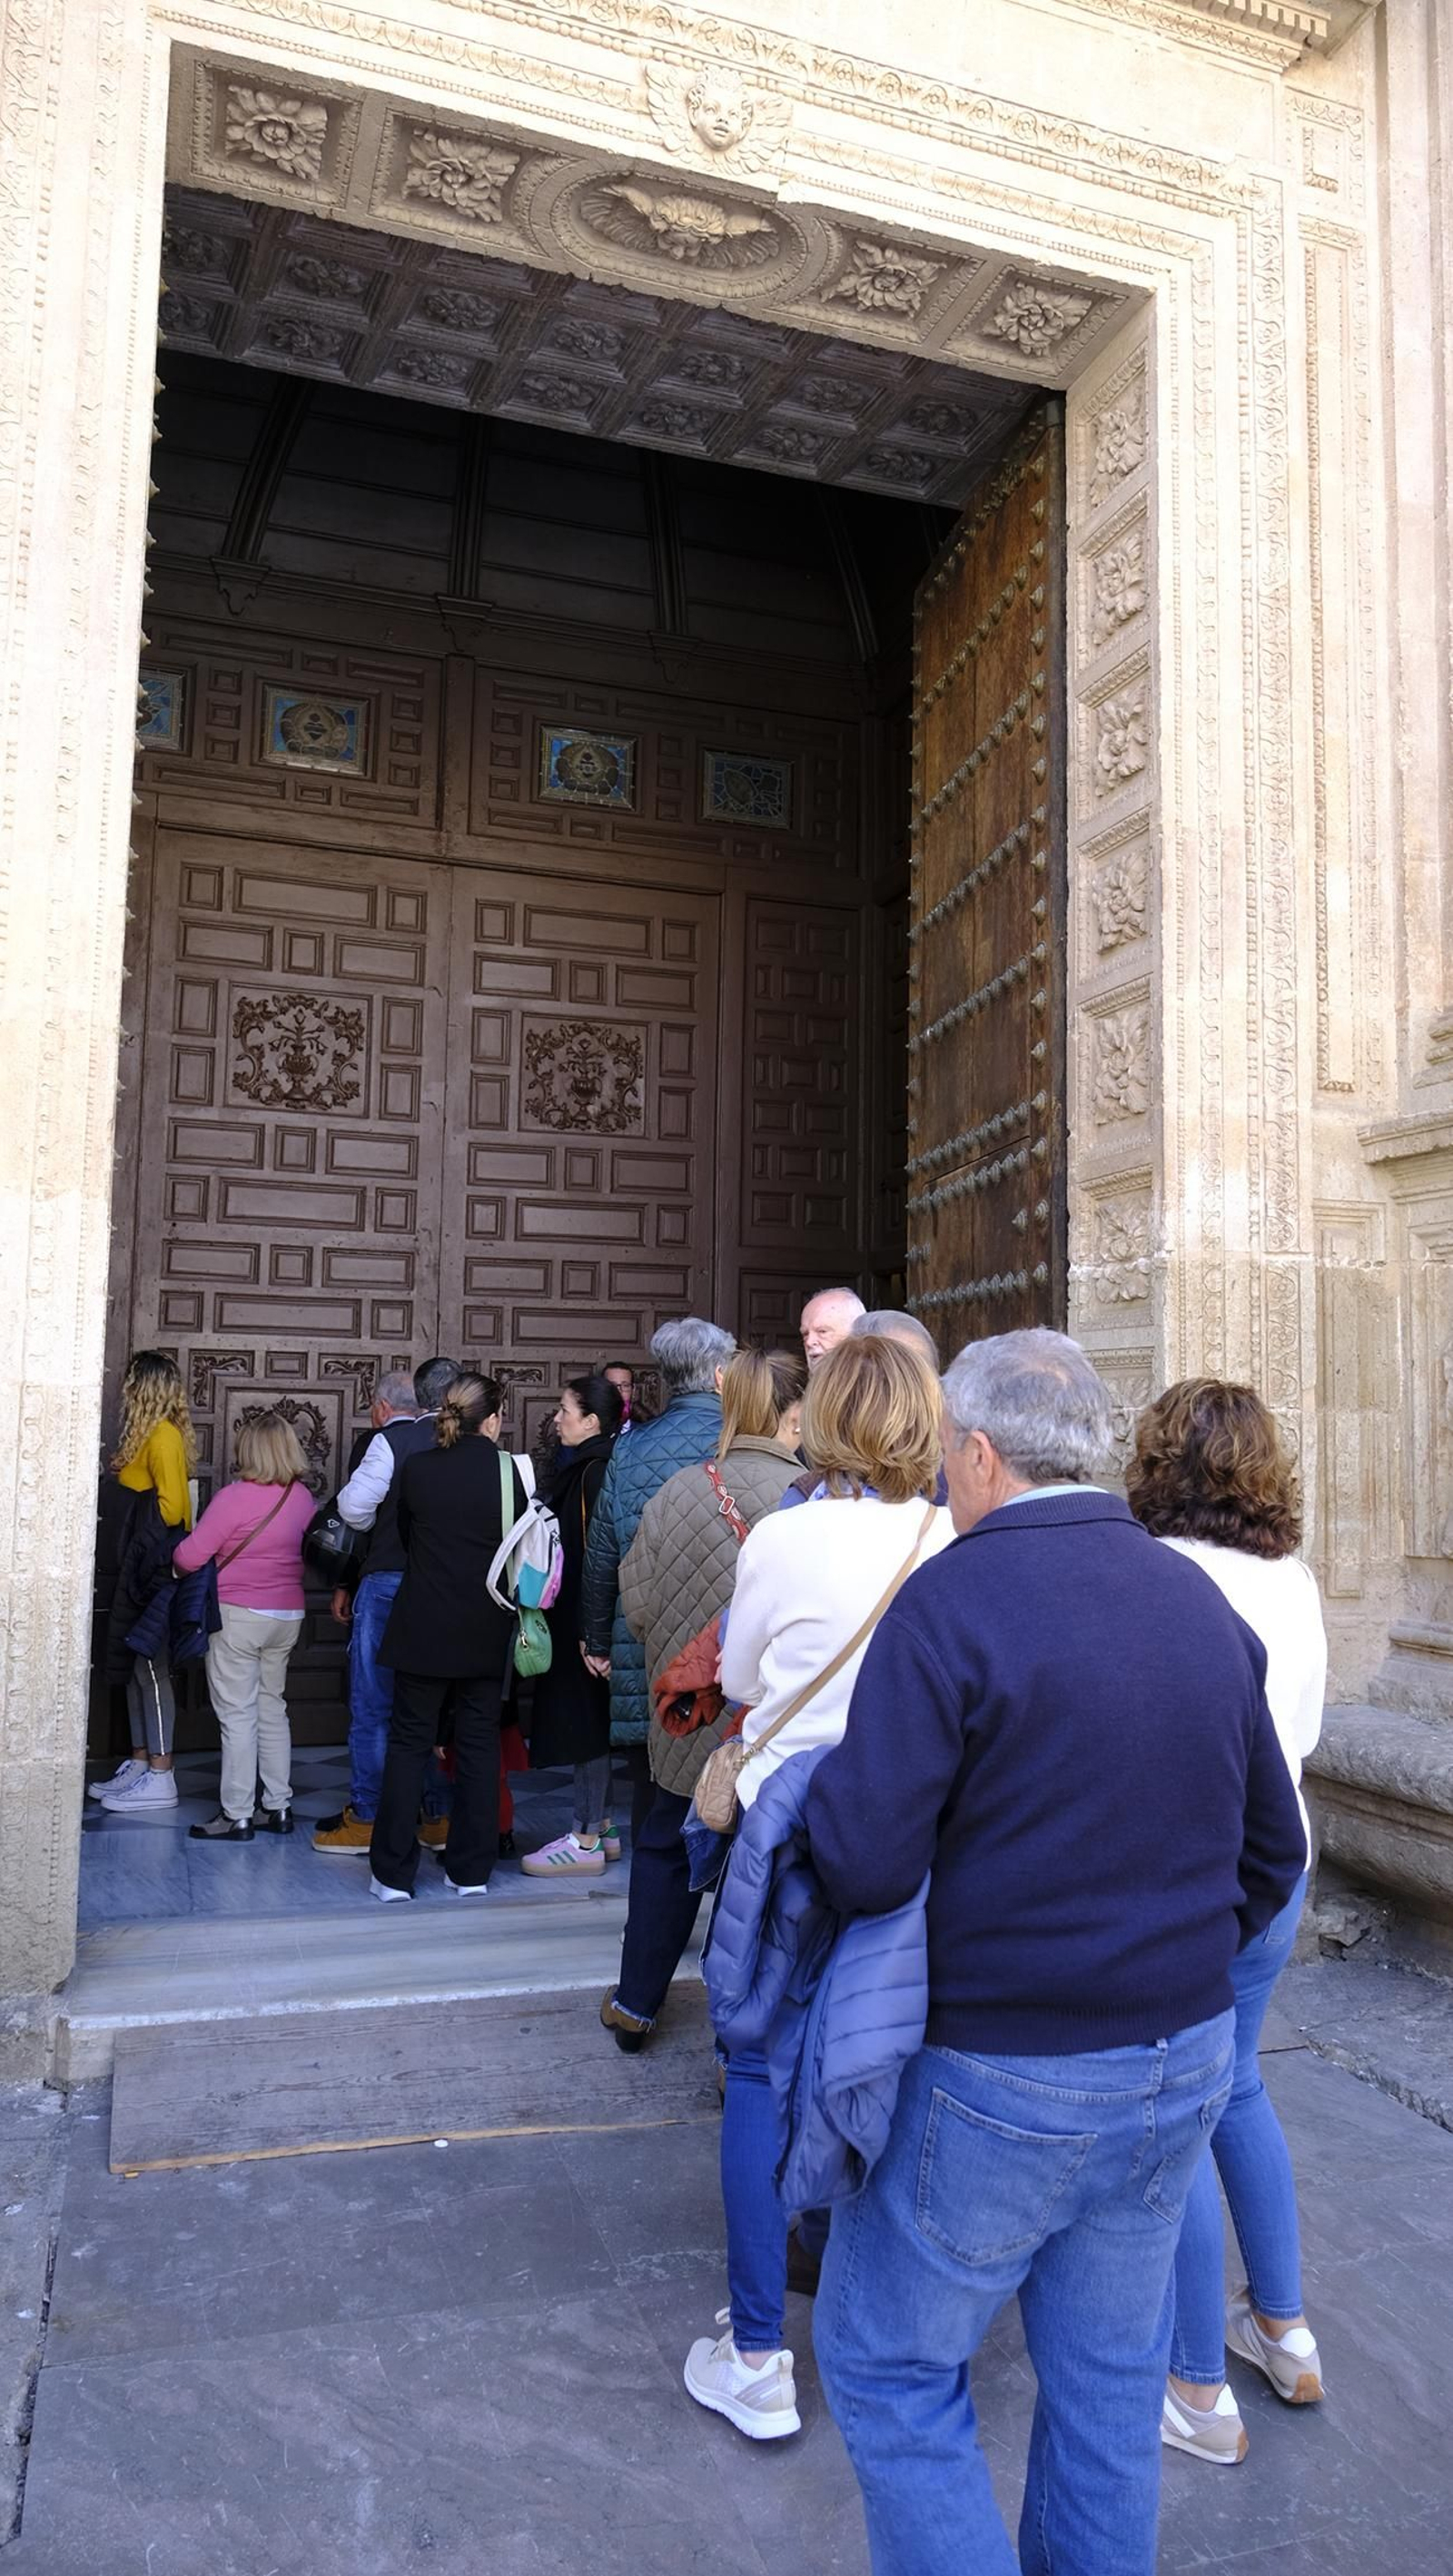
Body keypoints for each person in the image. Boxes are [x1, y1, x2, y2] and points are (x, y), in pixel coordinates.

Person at [799, 1328, 1306, 2575]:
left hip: (1001, 2072)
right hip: (1177, 2061)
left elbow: (864, 1861)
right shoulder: (1198, 1598)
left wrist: (810, 1796)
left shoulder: (954, 1599)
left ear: (977, 1453)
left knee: (890, 2362)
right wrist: (1164, 1966)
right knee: (1106, 2396)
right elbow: (1273, 1854)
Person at [682, 1335, 954, 2437]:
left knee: (757, 2061)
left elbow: (744, 1676)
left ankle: (756, 2354)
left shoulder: (784, 1536)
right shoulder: (949, 1534)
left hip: (795, 1827)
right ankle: (886, 2315)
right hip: (918, 1829)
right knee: (898, 2052)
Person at [1128, 1378, 1329, 2464]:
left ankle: (1198, 2386)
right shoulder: (1290, 1575)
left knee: (1180, 2112)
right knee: (1238, 2081)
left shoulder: (1156, 1572)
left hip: (1189, 1873)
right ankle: (1285, 2329)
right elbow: (1298, 1729)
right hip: (1280, 1862)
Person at [602, 1348, 807, 2043]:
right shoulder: (812, 1497)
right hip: (766, 1721)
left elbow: (635, 1604)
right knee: (752, 1868)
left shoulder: (681, 1489)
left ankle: (635, 2003)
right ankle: (731, 2044)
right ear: (794, 1414)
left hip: (689, 1717)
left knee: (663, 1847)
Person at [579, 1318, 736, 1903]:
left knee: (657, 1785)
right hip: (729, 1640)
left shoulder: (632, 1447)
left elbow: (602, 1551)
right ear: (721, 1374)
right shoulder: (743, 1439)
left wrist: (596, 1636)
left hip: (648, 1636)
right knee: (733, 1764)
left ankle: (655, 1918)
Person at [369, 1373, 526, 1901]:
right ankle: (470, 1872)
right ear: (495, 1419)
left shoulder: (417, 1469)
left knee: (409, 1743)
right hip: (485, 1623)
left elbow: (410, 1539)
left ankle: (392, 1875)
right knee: (479, 1746)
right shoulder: (512, 1474)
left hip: (423, 1622)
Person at [314, 1357, 460, 1855]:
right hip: (449, 1587)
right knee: (435, 1704)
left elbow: (353, 1509)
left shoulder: (392, 1442)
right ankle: (437, 1817)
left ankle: (370, 1816)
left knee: (376, 1705)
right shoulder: (471, 1443)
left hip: (389, 1583)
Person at [171, 1413, 316, 1841]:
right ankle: (279, 1806)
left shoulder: (234, 1498)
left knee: (237, 1713)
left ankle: (237, 1813)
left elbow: (189, 1557)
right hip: (287, 1614)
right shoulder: (302, 1497)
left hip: (239, 1614)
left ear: (248, 1450)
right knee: (272, 1707)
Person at [521, 1372, 625, 1877]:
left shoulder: (592, 1472)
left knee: (586, 1723)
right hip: (589, 1619)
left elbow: (594, 1555)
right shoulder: (596, 1465)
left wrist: (593, 1632)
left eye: (565, 1410)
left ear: (592, 1421)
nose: (557, 1418)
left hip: (585, 1622)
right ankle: (601, 1827)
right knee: (593, 1722)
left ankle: (584, 1837)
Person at [93, 1349, 197, 1815]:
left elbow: (172, 1509)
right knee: (136, 1666)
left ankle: (161, 1772)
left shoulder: (163, 1435)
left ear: (142, 1387)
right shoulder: (149, 1437)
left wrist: (135, 1547)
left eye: (130, 1382)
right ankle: (139, 1762)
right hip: (140, 1571)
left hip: (150, 1573)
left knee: (151, 1670)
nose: (124, 1391)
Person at [799, 1285, 865, 1371]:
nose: (809, 1342)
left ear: (857, 1332)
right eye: (805, 1334)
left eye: (822, 1331)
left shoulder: (881, 1382)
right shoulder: (797, 1383)